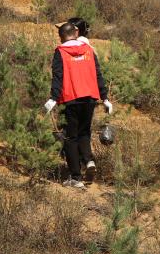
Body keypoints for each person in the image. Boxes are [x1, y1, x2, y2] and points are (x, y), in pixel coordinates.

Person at [45, 22, 112, 189]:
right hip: (90, 98)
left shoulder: (60, 52)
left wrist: (53, 98)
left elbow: (58, 76)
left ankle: (76, 177)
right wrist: (105, 98)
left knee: (70, 137)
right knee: (84, 133)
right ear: (75, 34)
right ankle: (89, 160)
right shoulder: (89, 50)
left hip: (70, 99)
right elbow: (98, 74)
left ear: (61, 37)